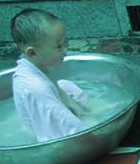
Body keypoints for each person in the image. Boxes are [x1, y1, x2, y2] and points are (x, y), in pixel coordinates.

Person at [10, 8, 88, 142]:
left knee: (66, 85)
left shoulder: (35, 65)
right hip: (50, 140)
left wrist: (79, 108)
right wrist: (94, 124)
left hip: (46, 107)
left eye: (65, 43)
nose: (66, 50)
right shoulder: (37, 88)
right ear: (32, 53)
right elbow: (72, 130)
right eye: (59, 47)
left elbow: (59, 91)